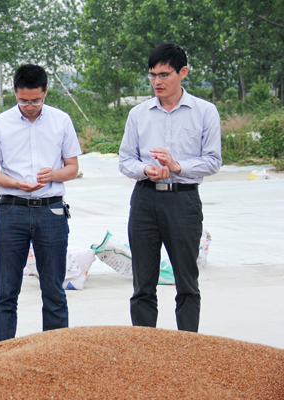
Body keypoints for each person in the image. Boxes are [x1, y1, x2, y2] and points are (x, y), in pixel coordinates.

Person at [118, 43, 222, 333]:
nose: (157, 82)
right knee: (143, 284)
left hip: (183, 202)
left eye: (164, 75)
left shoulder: (204, 112)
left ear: (183, 72)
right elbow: (125, 160)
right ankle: (146, 347)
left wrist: (177, 166)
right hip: (144, 201)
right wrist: (145, 170)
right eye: (152, 75)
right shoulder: (138, 114)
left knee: (187, 282)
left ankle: (186, 347)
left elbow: (213, 161)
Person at [0, 64, 82, 342]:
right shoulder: (0, 124)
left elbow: (72, 167)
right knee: (6, 292)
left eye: (36, 100)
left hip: (51, 211)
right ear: (14, 92)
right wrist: (16, 183)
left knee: (54, 291)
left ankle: (53, 354)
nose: (30, 107)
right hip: (12, 210)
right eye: (23, 100)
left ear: (46, 91)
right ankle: (5, 354)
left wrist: (54, 175)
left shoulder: (61, 121)